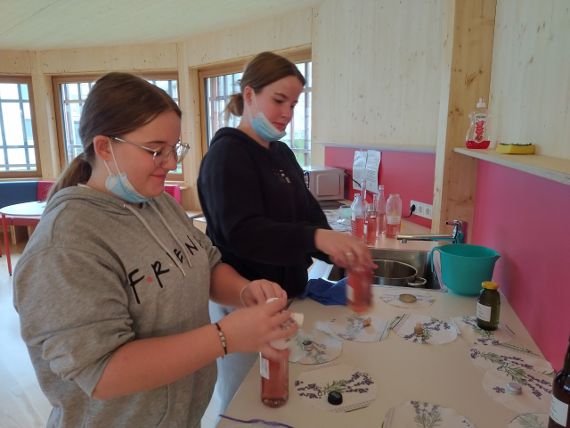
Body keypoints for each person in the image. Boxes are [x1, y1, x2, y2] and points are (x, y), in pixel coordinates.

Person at [13, 72, 298, 428]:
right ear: (105, 147)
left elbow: (207, 264)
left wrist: (244, 290)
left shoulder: (158, 203)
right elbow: (103, 373)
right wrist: (225, 337)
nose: (171, 162)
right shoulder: (66, 244)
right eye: (155, 150)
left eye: (174, 148)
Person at [197, 51, 374, 411]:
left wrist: (336, 247)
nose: (287, 113)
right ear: (249, 95)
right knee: (245, 403)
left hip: (289, 297)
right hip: (244, 306)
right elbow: (242, 233)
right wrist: (315, 238)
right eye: (279, 100)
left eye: (294, 104)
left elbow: (307, 212)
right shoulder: (227, 155)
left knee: (283, 398)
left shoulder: (281, 154)